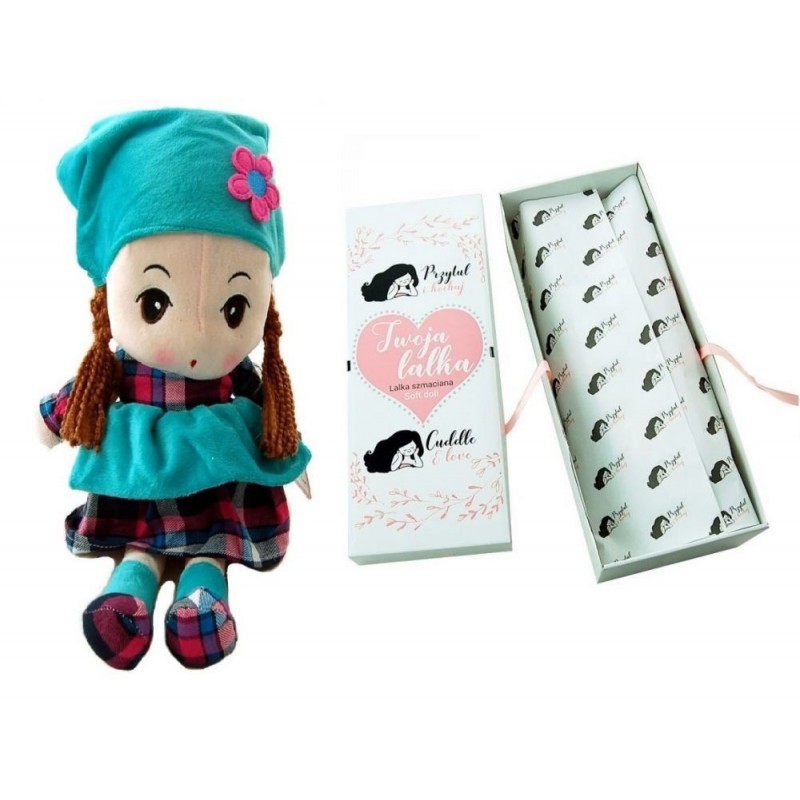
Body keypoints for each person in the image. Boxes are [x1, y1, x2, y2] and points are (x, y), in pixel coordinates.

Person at [37, 109, 311, 670]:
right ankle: (131, 590)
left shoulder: (237, 376)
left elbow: (270, 412)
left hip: (216, 486)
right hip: (140, 482)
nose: (198, 336)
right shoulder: (117, 369)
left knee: (209, 551)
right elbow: (81, 397)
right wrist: (51, 420)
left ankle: (202, 598)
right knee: (140, 549)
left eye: (234, 309)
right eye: (154, 303)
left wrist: (292, 454)